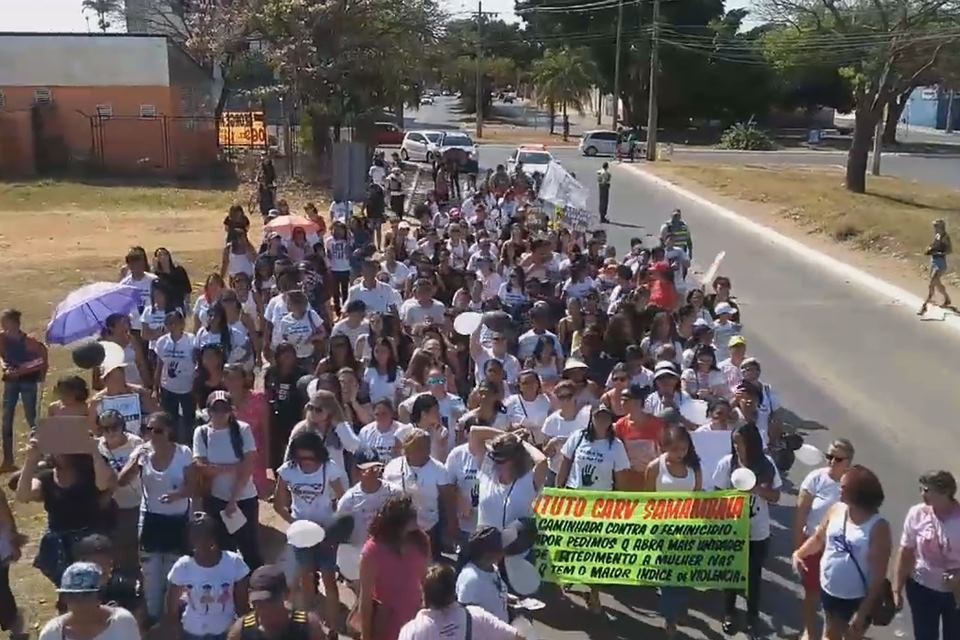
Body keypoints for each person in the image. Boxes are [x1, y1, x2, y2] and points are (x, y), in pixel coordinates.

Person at [792, 465, 891, 640]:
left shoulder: (878, 527)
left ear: (857, 492)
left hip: (857, 597)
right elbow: (818, 539)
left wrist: (862, 613)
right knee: (830, 634)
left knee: (851, 636)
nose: (839, 489)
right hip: (829, 589)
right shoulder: (836, 510)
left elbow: (877, 576)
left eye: (844, 487)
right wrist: (799, 554)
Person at [118, 411, 197, 624]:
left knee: (173, 572)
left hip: (177, 521)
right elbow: (122, 480)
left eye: (158, 430)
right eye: (148, 430)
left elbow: (193, 487)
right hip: (151, 520)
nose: (153, 435)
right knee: (151, 574)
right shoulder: (142, 454)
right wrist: (134, 459)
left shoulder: (183, 453)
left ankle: (171, 618)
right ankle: (154, 618)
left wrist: (177, 495)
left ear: (169, 431)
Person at [555, 406, 630, 613]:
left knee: (594, 552)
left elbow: (622, 477)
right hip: (574, 500)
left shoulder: (615, 445)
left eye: (606, 416)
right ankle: (569, 578)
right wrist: (558, 491)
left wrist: (621, 504)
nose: (602, 420)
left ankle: (594, 594)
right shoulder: (578, 437)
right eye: (599, 416)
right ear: (592, 417)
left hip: (601, 505)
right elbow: (566, 463)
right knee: (570, 545)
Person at [17, 435, 117, 587]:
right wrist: (31, 461)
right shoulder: (46, 476)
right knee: (67, 589)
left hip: (89, 542)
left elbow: (104, 484)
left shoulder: (90, 470)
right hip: (58, 545)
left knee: (93, 585)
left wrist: (94, 451)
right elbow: (24, 495)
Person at [713, 423, 781, 636]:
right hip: (733, 529)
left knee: (753, 575)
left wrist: (757, 490)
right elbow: (716, 493)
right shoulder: (727, 463)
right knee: (731, 573)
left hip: (757, 530)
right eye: (734, 442)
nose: (736, 446)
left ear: (751, 443)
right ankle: (729, 613)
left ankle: (752, 616)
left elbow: (776, 496)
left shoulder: (766, 465)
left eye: (740, 442)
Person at [274, 430, 346, 628]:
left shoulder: (328, 468)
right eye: (301, 457)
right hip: (301, 534)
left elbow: (344, 498)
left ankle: (332, 627)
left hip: (326, 532)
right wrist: (295, 523)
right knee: (306, 580)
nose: (305, 461)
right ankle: (311, 625)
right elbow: (278, 504)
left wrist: (334, 525)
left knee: (329, 579)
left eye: (310, 457)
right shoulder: (287, 470)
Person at [193, 390, 262, 571]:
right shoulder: (201, 433)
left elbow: (247, 467)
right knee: (223, 549)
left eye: (224, 408)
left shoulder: (242, 430)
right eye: (214, 409)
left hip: (243, 499)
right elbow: (202, 467)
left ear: (231, 410)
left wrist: (233, 500)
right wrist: (231, 468)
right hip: (215, 500)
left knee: (250, 548)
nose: (219, 413)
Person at [793, 438, 855, 640]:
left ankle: (831, 634)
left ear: (848, 462)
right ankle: (810, 632)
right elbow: (801, 512)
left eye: (837, 459)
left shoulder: (853, 485)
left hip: (840, 550)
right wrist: (798, 547)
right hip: (813, 543)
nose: (831, 462)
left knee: (834, 598)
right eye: (829, 456)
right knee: (811, 594)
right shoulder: (815, 478)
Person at [645, 426, 701, 637]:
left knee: (685, 575)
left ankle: (682, 607)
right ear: (664, 447)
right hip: (663, 532)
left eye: (684, 448)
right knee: (668, 578)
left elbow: (698, 497)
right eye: (675, 449)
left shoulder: (694, 466)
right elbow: (647, 500)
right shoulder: (655, 467)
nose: (680, 453)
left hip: (687, 531)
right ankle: (670, 619)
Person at [894, 470, 960, 640]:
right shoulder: (917, 513)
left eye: (926, 489)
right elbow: (906, 550)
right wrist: (897, 588)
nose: (922, 494)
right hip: (921, 588)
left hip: (956, 593)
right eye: (921, 489)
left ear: (944, 492)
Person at [356, 495, 430, 640]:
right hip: (386, 625)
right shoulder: (372, 551)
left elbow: (426, 583)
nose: (416, 522)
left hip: (416, 624)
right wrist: (365, 636)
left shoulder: (421, 542)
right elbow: (365, 601)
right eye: (410, 519)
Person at [166, 512, 250, 640]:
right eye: (195, 537)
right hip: (192, 632)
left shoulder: (234, 562)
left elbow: (242, 604)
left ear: (214, 538)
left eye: (204, 536)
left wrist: (240, 630)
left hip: (225, 632)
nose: (200, 542)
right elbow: (172, 606)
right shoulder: (183, 566)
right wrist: (175, 631)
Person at [399, 563, 522, 639]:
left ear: (424, 594)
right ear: (454, 590)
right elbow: (518, 637)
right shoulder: (476, 617)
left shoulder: (412, 631)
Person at [95, 409, 143, 577]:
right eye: (105, 429)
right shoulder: (97, 447)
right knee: (117, 548)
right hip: (112, 507)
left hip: (135, 502)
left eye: (114, 427)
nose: (110, 432)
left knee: (135, 547)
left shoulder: (136, 443)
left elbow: (129, 474)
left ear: (122, 427)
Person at [38, 562, 141, 640]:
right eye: (73, 596)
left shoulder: (122, 622)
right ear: (64, 598)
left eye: (86, 595)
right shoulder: (52, 634)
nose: (80, 602)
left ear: (99, 595)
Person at [0, 308, 48, 471]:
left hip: (27, 382)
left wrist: (21, 370)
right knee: (6, 420)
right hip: (10, 382)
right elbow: (2, 357)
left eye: (4, 321)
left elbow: (41, 360)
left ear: (14, 323)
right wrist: (5, 366)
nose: (2, 324)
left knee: (32, 419)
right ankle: (8, 461)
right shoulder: (2, 339)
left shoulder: (29, 342)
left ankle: (41, 456)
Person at [227, 564, 326, 640]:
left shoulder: (308, 626)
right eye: (258, 602)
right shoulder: (241, 631)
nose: (264, 609)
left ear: (286, 594)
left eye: (270, 601)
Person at [919, 218, 954, 314]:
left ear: (941, 227)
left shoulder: (945, 237)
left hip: (940, 263)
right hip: (934, 261)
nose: (934, 228)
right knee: (936, 283)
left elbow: (949, 250)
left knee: (932, 283)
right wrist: (929, 249)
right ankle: (947, 298)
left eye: (936, 226)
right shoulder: (937, 235)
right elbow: (934, 245)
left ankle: (925, 304)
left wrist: (938, 253)